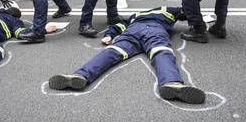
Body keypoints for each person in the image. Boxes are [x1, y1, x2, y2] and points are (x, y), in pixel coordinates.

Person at [49, 6, 206, 104]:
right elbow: (186, 10)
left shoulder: (134, 15)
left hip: (133, 30)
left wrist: (110, 35)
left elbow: (119, 25)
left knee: (111, 52)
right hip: (154, 29)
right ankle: (172, 83)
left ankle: (80, 76)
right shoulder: (165, 9)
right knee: (161, 53)